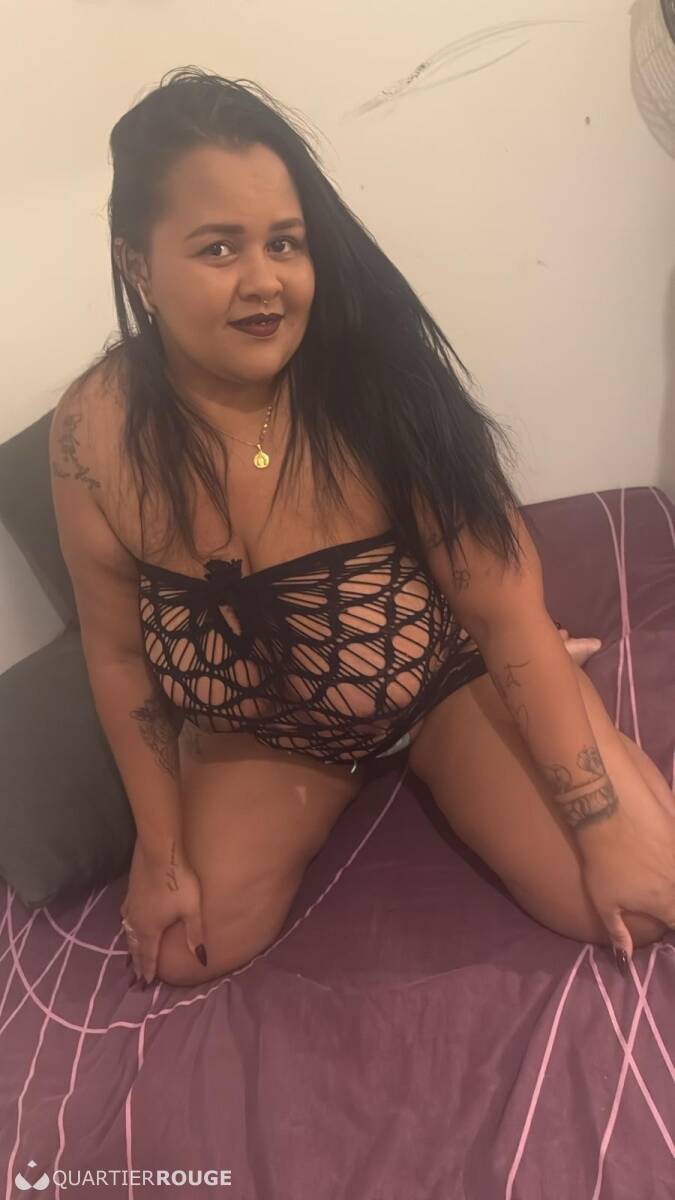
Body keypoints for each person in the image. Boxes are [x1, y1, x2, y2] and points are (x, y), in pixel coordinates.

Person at [49, 67, 675, 991]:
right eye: (219, 248)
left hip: (441, 682)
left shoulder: (374, 381)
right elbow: (116, 657)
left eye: (284, 243)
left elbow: (500, 609)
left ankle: (554, 695)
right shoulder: (93, 433)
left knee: (631, 901)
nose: (265, 282)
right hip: (266, 738)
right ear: (138, 264)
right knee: (183, 951)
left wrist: (603, 821)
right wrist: (161, 847)